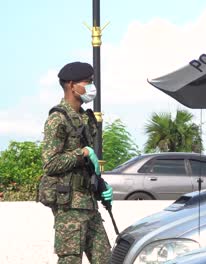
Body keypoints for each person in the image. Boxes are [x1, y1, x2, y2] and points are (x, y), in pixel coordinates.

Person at [41, 61, 113, 263]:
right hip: (69, 207)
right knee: (70, 260)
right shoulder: (58, 118)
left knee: (107, 259)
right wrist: (81, 153)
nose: (92, 87)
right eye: (88, 82)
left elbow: (87, 166)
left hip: (89, 204)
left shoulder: (85, 118)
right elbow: (50, 164)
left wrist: (102, 185)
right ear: (72, 85)